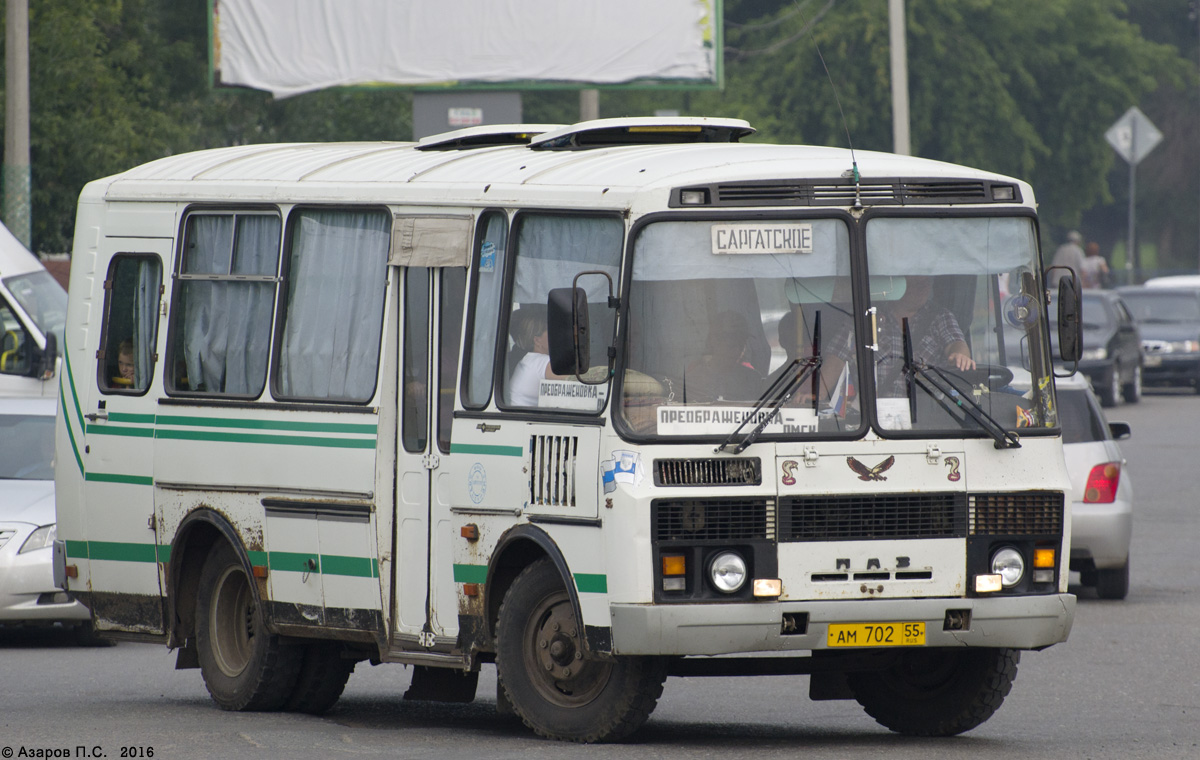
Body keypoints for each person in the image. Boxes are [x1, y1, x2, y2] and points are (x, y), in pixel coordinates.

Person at [825, 275, 975, 398]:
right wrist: (812, 394)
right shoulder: (866, 318)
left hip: (927, 420)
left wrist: (959, 355)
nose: (922, 287)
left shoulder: (941, 317)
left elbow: (957, 344)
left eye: (926, 281)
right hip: (872, 420)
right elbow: (836, 359)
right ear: (894, 282)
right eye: (915, 282)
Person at [684, 311, 765, 402]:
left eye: (741, 344)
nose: (738, 350)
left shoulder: (753, 380)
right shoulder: (693, 380)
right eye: (732, 344)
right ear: (714, 341)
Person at [507, 308, 566, 406]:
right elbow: (579, 378)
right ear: (537, 340)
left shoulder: (529, 360)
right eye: (552, 330)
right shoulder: (540, 362)